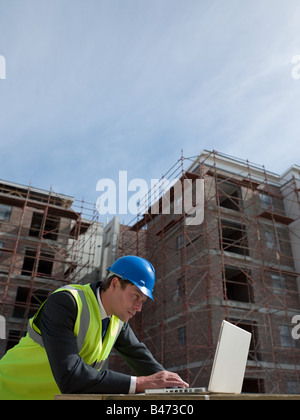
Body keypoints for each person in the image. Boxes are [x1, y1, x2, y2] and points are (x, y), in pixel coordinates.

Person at [0, 255, 188, 400]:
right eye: (136, 296)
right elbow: (71, 377)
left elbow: (144, 362)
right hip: (9, 392)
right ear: (115, 284)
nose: (139, 307)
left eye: (143, 300)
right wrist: (139, 383)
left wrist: (177, 388)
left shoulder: (117, 322)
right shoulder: (66, 302)